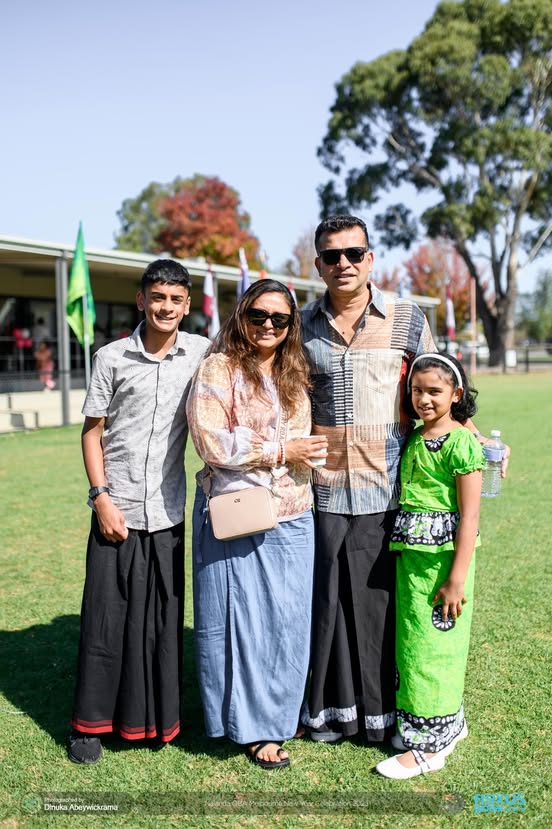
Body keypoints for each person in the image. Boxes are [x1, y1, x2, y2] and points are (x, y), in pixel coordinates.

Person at [299, 215, 508, 744]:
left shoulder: (408, 318)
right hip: (320, 490)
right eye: (331, 256)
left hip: (387, 490)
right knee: (327, 609)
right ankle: (329, 715)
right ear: (318, 264)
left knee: (379, 611)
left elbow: (439, 391)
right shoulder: (299, 327)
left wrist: (477, 442)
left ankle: (388, 717)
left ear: (370, 258)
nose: (342, 263)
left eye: (353, 253)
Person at [68, 259, 209, 764]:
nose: (166, 307)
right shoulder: (110, 357)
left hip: (169, 512)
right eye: (158, 298)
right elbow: (91, 432)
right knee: (106, 619)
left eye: (175, 299)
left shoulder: (202, 355)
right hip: (116, 508)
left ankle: (156, 721)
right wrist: (100, 496)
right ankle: (89, 725)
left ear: (187, 304)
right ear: (141, 300)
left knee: (161, 623)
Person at [186, 279, 328, 770]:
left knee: (288, 624)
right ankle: (251, 729)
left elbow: (307, 441)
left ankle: (282, 715)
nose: (268, 325)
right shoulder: (218, 368)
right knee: (241, 623)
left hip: (294, 513)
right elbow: (211, 442)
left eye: (280, 319)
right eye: (258, 316)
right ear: (241, 316)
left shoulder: (295, 372)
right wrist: (278, 451)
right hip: (236, 513)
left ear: (291, 327)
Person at [376, 353, 483, 778]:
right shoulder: (417, 436)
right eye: (417, 391)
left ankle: (430, 747)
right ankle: (435, 725)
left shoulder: (461, 442)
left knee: (435, 649)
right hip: (413, 563)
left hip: (444, 567)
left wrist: (457, 579)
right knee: (413, 641)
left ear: (456, 394)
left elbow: (470, 517)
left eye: (434, 391)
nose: (423, 399)